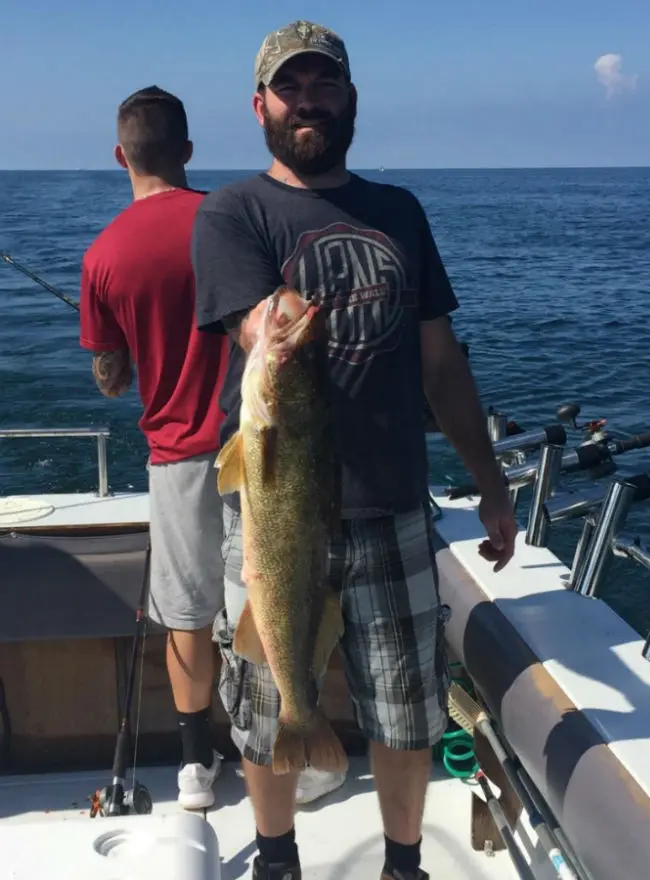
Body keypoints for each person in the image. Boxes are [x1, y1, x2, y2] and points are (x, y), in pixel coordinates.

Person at [192, 20, 517, 880]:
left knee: (407, 712)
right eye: (289, 87)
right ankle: (275, 855)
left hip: (393, 503)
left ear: (350, 99)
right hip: (276, 512)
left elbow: (441, 363)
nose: (308, 102)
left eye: (323, 85)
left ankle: (402, 863)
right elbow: (249, 326)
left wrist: (490, 482)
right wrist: (277, 330)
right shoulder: (233, 212)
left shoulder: (400, 211)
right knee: (268, 703)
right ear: (259, 104)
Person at [78, 86, 229, 810]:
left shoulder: (102, 255)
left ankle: (196, 766)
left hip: (177, 460)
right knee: (265, 600)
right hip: (255, 448)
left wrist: (125, 357)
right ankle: (288, 750)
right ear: (188, 151)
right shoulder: (230, 224)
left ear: (120, 155)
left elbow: (110, 376)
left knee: (189, 613)